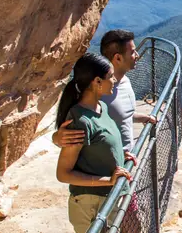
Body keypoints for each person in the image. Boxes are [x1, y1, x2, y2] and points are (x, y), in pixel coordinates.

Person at [54, 52, 135, 233]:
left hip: (106, 199)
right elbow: (63, 174)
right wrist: (108, 181)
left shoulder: (101, 107)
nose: (115, 80)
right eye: (111, 77)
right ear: (97, 81)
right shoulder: (81, 121)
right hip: (90, 204)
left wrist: (120, 157)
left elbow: (101, 145)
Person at [53, 30, 156, 150]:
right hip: (106, 166)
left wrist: (143, 118)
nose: (137, 55)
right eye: (132, 52)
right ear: (118, 58)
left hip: (125, 162)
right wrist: (56, 138)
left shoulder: (125, 82)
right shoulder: (97, 92)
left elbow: (120, 115)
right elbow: (71, 130)